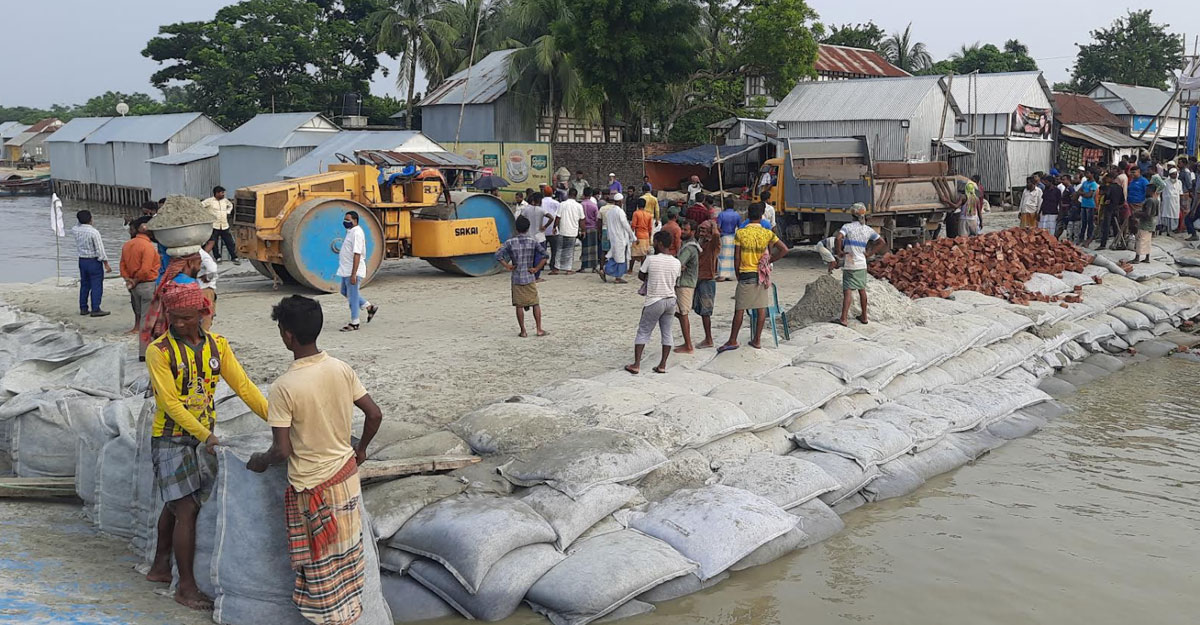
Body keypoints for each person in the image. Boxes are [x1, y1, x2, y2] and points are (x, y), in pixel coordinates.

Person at [247, 295, 383, 625]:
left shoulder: (284, 387)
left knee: (323, 572)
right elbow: (374, 414)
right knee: (347, 560)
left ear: (287, 335)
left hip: (314, 492)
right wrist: (361, 450)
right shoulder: (340, 368)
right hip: (346, 480)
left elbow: (281, 451)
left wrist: (260, 461)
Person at [144, 280, 267, 611]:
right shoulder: (159, 351)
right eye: (174, 318)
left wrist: (275, 418)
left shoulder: (218, 346)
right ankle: (185, 586)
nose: (179, 324)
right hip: (170, 438)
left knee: (175, 501)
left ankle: (159, 566)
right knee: (186, 507)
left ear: (202, 313)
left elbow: (244, 387)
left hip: (200, 434)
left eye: (186, 318)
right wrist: (206, 436)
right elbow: (170, 403)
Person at [719, 202, 788, 351]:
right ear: (761, 215)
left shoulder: (741, 233)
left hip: (746, 272)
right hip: (761, 274)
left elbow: (737, 257)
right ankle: (757, 339)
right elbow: (784, 249)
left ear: (748, 215)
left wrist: (737, 273)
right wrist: (769, 261)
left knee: (740, 309)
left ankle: (733, 340)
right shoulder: (767, 233)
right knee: (761, 308)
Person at [625, 230, 681, 374]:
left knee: (644, 331)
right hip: (670, 299)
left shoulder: (651, 259)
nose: (653, 244)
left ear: (659, 243)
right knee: (667, 332)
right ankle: (662, 364)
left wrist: (651, 279)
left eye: (654, 241)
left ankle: (636, 364)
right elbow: (676, 280)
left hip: (655, 299)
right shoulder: (676, 262)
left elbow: (641, 275)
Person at [834, 203, 887, 326]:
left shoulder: (847, 227)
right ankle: (864, 316)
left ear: (852, 215)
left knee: (848, 290)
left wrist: (839, 252)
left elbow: (838, 238)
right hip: (862, 264)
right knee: (862, 290)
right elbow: (881, 242)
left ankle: (844, 318)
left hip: (850, 263)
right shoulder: (868, 229)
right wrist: (869, 254)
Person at [495, 216, 549, 337]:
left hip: (517, 277)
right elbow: (545, 255)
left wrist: (507, 266)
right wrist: (536, 269)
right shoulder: (532, 241)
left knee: (519, 305)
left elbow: (498, 255)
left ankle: (523, 331)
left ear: (516, 228)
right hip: (529, 276)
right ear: (528, 228)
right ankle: (539, 329)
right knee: (535, 303)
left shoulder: (510, 242)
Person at [120, 216, 161, 343]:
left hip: (132, 285)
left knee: (137, 309)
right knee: (146, 314)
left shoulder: (127, 245)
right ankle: (145, 339)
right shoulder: (148, 247)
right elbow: (145, 269)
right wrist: (136, 280)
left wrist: (129, 279)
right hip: (146, 283)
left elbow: (122, 265)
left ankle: (137, 329)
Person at [337, 211, 378, 332]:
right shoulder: (350, 231)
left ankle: (355, 322)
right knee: (344, 291)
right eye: (345, 219)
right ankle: (368, 307)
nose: (345, 222)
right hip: (346, 269)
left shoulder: (357, 233)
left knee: (353, 296)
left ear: (355, 220)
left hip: (353, 270)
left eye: (348, 220)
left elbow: (357, 254)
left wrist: (354, 274)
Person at [73, 210, 112, 317]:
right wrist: (106, 263)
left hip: (82, 260)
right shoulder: (94, 232)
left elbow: (77, 225)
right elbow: (100, 250)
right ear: (90, 219)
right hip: (93, 261)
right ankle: (95, 308)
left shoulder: (75, 230)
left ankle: (83, 307)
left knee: (84, 284)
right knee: (96, 285)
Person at [692, 213, 720, 348]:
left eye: (704, 230)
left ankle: (708, 339)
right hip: (698, 277)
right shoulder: (700, 242)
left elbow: (716, 235)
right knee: (699, 309)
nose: (701, 233)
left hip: (707, 279)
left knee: (705, 311)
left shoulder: (713, 244)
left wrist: (713, 225)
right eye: (700, 230)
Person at [674, 220, 700, 354]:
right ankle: (687, 343)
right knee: (680, 313)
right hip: (685, 282)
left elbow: (678, 264)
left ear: (693, 232)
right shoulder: (689, 245)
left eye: (686, 230)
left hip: (685, 284)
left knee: (683, 314)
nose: (682, 232)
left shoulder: (689, 248)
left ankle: (688, 345)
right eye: (682, 229)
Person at [203, 186, 240, 265]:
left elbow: (230, 205)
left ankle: (234, 257)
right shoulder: (209, 201)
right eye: (221, 193)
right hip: (214, 225)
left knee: (230, 242)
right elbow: (201, 206)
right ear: (216, 193)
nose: (223, 194)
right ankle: (218, 257)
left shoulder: (225, 201)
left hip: (224, 225)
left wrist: (228, 212)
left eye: (223, 193)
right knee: (214, 243)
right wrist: (206, 215)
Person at [602, 194, 634, 283]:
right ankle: (616, 276)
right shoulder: (620, 212)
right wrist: (632, 236)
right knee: (620, 258)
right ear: (620, 201)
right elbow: (626, 225)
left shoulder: (609, 212)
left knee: (614, 256)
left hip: (612, 238)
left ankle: (607, 270)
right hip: (620, 238)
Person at [554, 188, 585, 274]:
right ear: (576, 195)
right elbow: (582, 219)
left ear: (568, 194)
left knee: (559, 250)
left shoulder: (562, 204)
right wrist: (583, 230)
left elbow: (558, 217)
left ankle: (557, 268)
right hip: (573, 231)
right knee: (570, 251)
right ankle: (568, 269)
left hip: (563, 230)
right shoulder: (579, 206)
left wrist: (554, 227)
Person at [1097, 171, 1126, 250]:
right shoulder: (1120, 188)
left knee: (1106, 226)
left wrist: (1107, 201)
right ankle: (1117, 243)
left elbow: (1106, 196)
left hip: (1108, 208)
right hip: (1116, 208)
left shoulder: (1109, 187)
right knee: (1116, 226)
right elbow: (1122, 200)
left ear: (1110, 178)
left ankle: (1103, 244)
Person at [1133, 186, 1160, 263]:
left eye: (1147, 190)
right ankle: (1147, 257)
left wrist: (1137, 213)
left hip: (1145, 223)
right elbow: (1157, 213)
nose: (1146, 192)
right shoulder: (1156, 200)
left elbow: (1147, 214)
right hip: (1152, 223)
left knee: (1140, 240)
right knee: (1148, 241)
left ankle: (1137, 258)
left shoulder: (1149, 201)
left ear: (1151, 191)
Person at [716, 202, 740, 280]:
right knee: (731, 256)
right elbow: (740, 226)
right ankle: (730, 275)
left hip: (724, 236)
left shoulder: (721, 214)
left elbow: (718, 227)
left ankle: (722, 274)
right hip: (733, 237)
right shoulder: (737, 215)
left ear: (725, 205)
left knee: (722, 256)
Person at [197, 247, 219, 331]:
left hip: (205, 288)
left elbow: (212, 269)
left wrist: (207, 278)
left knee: (205, 316)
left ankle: (204, 334)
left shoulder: (201, 254)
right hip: (202, 287)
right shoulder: (199, 253)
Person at [630, 197, 655, 270]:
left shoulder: (636, 213)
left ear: (637, 205)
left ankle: (630, 269)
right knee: (643, 254)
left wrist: (632, 236)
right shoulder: (649, 215)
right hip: (646, 236)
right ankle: (642, 269)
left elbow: (633, 226)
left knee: (634, 254)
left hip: (638, 236)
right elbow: (650, 228)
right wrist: (649, 238)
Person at [580, 188, 601, 273]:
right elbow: (597, 218)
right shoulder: (594, 205)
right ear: (591, 195)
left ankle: (583, 266)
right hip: (593, 228)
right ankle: (594, 267)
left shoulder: (581, 204)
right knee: (594, 248)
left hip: (583, 228)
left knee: (584, 248)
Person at [541, 190, 561, 271]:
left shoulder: (540, 202)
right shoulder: (556, 203)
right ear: (552, 193)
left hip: (542, 229)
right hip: (553, 229)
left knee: (542, 249)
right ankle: (552, 265)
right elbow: (558, 216)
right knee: (554, 250)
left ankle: (541, 265)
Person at [1077, 169, 1098, 245]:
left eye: (1088, 173)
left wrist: (1081, 193)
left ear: (1092, 174)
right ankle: (1081, 238)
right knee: (1083, 223)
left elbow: (1089, 195)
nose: (1086, 174)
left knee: (1090, 223)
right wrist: (1083, 193)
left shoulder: (1094, 184)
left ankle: (1089, 238)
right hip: (1084, 204)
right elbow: (1079, 191)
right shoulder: (1085, 182)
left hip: (1090, 205)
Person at [1160, 168, 1182, 235]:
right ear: (1170, 175)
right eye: (1172, 174)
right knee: (1166, 214)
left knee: (1174, 215)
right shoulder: (1165, 182)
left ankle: (1172, 230)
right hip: (1167, 202)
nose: (1174, 176)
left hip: (1175, 202)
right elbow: (1161, 191)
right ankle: (1166, 229)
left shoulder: (1179, 182)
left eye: (1175, 174)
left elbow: (1180, 193)